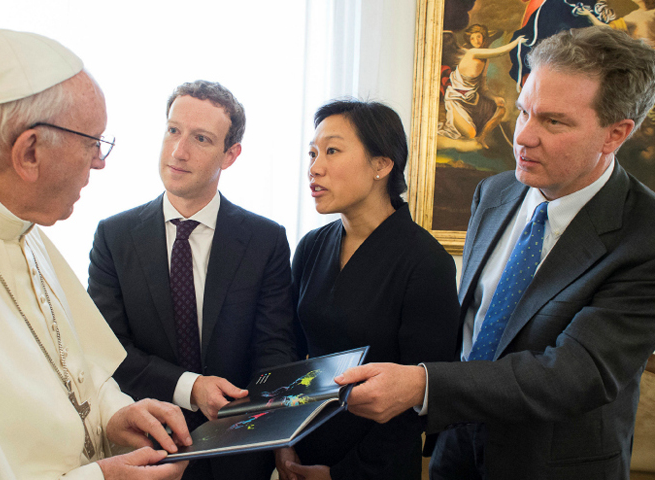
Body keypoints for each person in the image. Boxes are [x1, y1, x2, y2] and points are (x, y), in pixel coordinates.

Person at [335, 26, 655, 479]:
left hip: (553, 466)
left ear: (615, 134)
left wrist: (425, 385)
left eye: (553, 121)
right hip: (456, 453)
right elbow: (470, 324)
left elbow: (572, 375)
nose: (522, 137)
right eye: (524, 111)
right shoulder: (496, 191)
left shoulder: (645, 235)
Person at [0, 28, 191, 480]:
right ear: (29, 152)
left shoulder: (12, 214)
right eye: (93, 142)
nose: (100, 162)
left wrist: (110, 412)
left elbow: (65, 358)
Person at [87, 80, 297, 480]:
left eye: (201, 138)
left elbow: (274, 348)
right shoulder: (114, 237)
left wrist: (265, 428)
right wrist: (191, 386)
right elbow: (106, 350)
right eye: (173, 131)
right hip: (146, 450)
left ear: (230, 154)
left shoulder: (265, 240)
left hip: (239, 452)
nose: (178, 151)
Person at [275, 99, 460, 480]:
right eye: (312, 153)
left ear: (381, 164)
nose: (314, 168)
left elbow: (422, 394)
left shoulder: (426, 262)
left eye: (332, 151)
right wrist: (282, 436)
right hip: (304, 443)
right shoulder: (312, 246)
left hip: (376, 464)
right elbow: (291, 352)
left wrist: (342, 475)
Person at [437, 25, 526, 150]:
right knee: (470, 133)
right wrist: (516, 42)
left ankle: (482, 138)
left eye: (478, 36)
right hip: (457, 101)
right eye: (472, 38)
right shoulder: (472, 53)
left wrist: (494, 97)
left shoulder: (484, 60)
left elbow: (483, 88)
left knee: (500, 109)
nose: (476, 40)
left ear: (483, 37)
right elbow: (498, 52)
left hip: (473, 100)